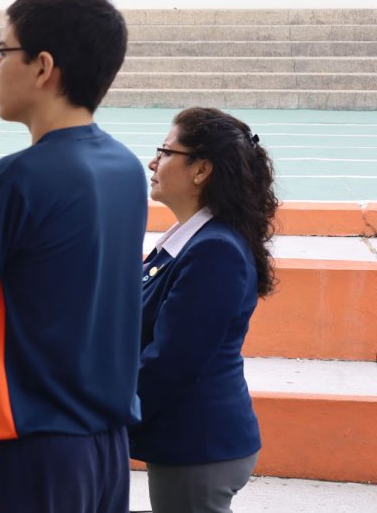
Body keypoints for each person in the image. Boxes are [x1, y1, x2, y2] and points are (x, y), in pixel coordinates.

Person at [0, 0, 146, 513]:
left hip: (26, 440)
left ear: (42, 66)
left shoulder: (14, 179)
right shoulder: (126, 169)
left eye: (2, 53)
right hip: (106, 443)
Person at [132, 107, 275, 513]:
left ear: (201, 170)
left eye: (165, 151)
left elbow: (172, 362)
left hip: (199, 444)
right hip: (190, 439)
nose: (153, 162)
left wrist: (103, 414)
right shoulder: (188, 243)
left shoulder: (214, 250)